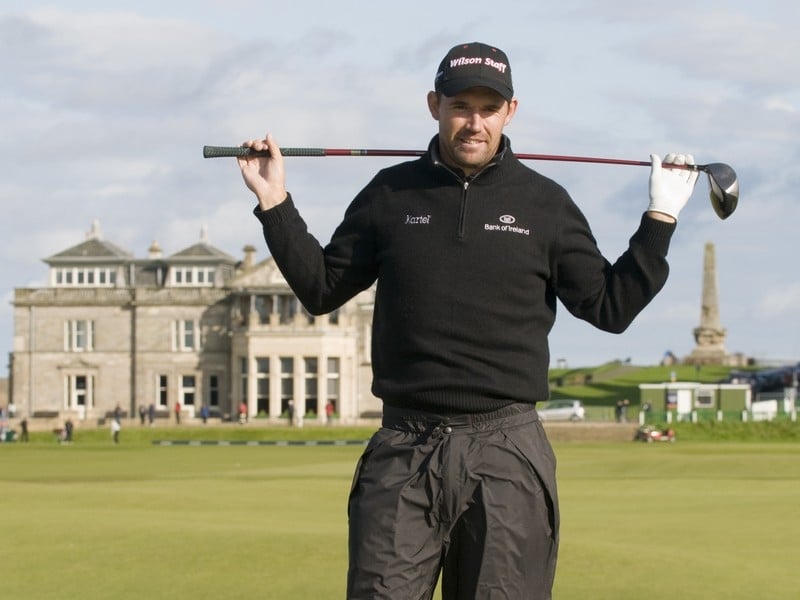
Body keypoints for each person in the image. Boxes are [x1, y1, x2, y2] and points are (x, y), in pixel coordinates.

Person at [235, 41, 698, 599]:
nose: (473, 122)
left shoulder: (545, 205)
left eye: (488, 107)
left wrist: (660, 218)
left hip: (506, 450)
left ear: (510, 111)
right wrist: (275, 201)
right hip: (404, 447)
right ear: (435, 105)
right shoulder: (389, 193)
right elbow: (322, 288)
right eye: (460, 105)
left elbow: (610, 308)